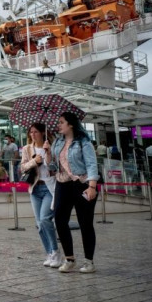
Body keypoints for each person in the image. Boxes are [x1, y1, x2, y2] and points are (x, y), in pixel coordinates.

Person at [52, 112, 99, 273]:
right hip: (62, 184)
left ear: (70, 124)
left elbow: (92, 164)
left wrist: (92, 186)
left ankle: (89, 261)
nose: (58, 125)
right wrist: (46, 154)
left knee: (85, 223)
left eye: (61, 122)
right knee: (59, 219)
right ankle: (69, 258)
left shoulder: (83, 142)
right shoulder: (57, 142)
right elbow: (53, 166)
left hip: (82, 184)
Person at [20, 123, 63, 268]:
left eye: (36, 132)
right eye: (31, 132)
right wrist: (34, 161)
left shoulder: (52, 146)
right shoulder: (27, 149)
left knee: (45, 219)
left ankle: (56, 252)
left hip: (50, 187)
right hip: (35, 189)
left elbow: (56, 167)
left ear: (42, 133)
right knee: (39, 224)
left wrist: (48, 154)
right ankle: (49, 253)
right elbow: (23, 167)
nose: (33, 134)